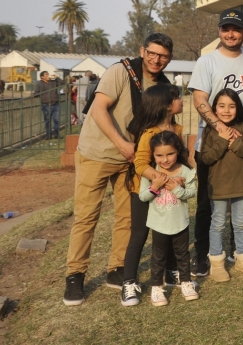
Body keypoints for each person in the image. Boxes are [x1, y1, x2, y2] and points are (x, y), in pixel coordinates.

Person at [63, 33, 173, 306]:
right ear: (142, 50)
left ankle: (117, 268)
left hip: (131, 161)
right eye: (152, 53)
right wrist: (122, 143)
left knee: (127, 218)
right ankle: (75, 274)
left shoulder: (164, 85)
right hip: (96, 154)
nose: (156, 59)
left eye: (163, 56)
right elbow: (99, 109)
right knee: (87, 217)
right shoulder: (121, 71)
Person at [188, 9, 243, 277]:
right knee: (208, 204)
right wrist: (220, 128)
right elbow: (199, 100)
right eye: (225, 28)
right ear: (219, 31)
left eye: (236, 29)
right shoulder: (206, 61)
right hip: (213, 142)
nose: (230, 33)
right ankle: (203, 255)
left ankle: (239, 252)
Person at [120, 84, 183, 307]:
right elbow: (139, 163)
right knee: (139, 234)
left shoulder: (178, 129)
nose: (181, 101)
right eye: (177, 98)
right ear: (167, 105)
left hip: (168, 192)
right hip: (144, 192)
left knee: (171, 228)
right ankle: (128, 282)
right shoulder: (149, 134)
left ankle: (172, 270)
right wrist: (161, 180)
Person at [200, 89, 243, 281]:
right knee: (217, 223)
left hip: (241, 184)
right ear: (214, 109)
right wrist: (222, 139)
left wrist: (235, 143)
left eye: (232, 106)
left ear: (238, 108)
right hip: (218, 187)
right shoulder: (211, 131)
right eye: (221, 106)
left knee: (240, 222)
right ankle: (217, 262)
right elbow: (206, 158)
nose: (226, 110)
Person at [138, 131, 198, 306]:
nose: (165, 159)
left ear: (177, 151)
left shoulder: (186, 171)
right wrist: (155, 186)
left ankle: (186, 283)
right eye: (159, 155)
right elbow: (143, 197)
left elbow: (192, 192)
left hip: (180, 222)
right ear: (153, 155)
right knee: (158, 256)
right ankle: (157, 288)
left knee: (183, 254)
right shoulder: (150, 173)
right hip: (159, 224)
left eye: (170, 154)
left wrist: (177, 189)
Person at [34, 71, 61, 141]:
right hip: (46, 105)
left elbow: (63, 83)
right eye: (46, 74)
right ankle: (48, 135)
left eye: (48, 74)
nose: (48, 75)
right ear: (42, 77)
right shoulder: (39, 83)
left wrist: (57, 78)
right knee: (47, 121)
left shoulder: (53, 82)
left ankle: (56, 135)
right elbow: (36, 93)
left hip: (55, 104)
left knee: (57, 120)